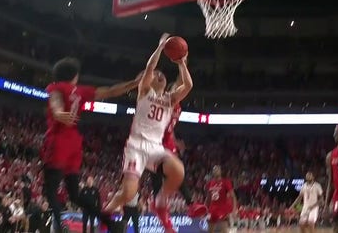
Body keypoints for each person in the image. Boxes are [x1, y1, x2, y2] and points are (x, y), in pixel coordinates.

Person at [100, 33, 193, 233]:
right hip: (135, 146)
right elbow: (150, 68)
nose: (159, 75)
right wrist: (160, 48)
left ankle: (159, 203)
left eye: (162, 74)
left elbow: (189, 85)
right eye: (156, 75)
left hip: (155, 148)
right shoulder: (144, 91)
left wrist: (181, 63)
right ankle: (105, 213)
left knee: (178, 171)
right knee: (128, 194)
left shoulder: (170, 99)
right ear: (149, 81)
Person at [42, 57, 140, 233]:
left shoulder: (55, 87)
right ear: (74, 76)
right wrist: (135, 83)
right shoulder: (81, 91)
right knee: (75, 195)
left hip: (58, 141)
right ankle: (111, 224)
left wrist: (57, 112)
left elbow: (55, 100)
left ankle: (60, 227)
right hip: (75, 142)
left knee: (49, 191)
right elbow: (110, 91)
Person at [151, 90, 206, 218]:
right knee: (159, 172)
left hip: (164, 144)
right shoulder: (167, 104)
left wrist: (174, 142)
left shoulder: (176, 107)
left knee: (172, 174)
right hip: (158, 143)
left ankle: (190, 203)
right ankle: (185, 203)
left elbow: (169, 128)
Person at [205, 165, 237, 233]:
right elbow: (208, 198)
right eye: (214, 169)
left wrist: (234, 210)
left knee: (224, 230)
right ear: (212, 172)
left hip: (222, 209)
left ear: (220, 172)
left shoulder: (226, 182)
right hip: (212, 209)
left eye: (217, 169)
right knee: (210, 231)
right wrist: (204, 208)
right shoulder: (210, 183)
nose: (215, 170)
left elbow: (233, 197)